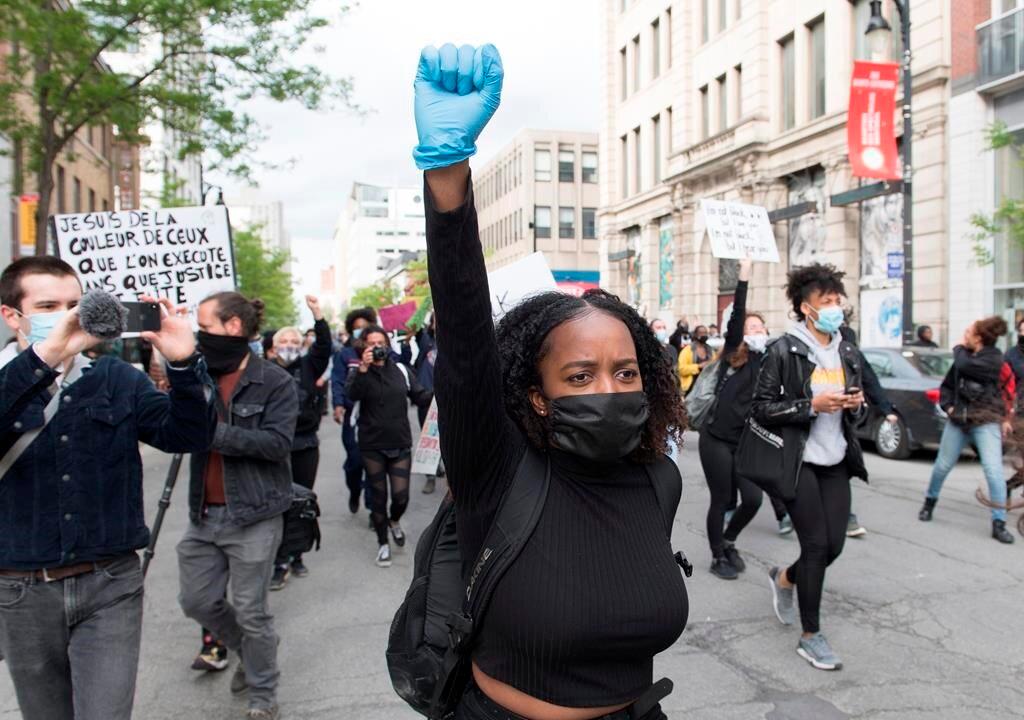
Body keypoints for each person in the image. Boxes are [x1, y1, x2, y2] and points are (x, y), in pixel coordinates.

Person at [415, 43, 687, 720]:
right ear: (537, 395)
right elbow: (466, 338)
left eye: (626, 371)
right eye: (580, 374)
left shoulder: (660, 480)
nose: (609, 388)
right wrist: (448, 171)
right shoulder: (497, 472)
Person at [0, 256, 214, 720]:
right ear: (12, 316)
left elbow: (189, 435)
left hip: (109, 583)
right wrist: (42, 362)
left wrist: (183, 363)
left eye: (75, 305)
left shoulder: (116, 377)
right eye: (48, 307)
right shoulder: (6, 381)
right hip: (22, 589)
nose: (68, 316)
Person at [177, 291, 298, 720]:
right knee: (196, 601)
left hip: (254, 516)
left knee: (251, 611)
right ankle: (251, 650)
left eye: (204, 326)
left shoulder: (274, 381)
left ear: (232, 326)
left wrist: (213, 433)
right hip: (202, 515)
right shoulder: (197, 375)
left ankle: (262, 694)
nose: (199, 335)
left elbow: (277, 444)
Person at [754, 263, 868, 671]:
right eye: (827, 301)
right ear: (806, 307)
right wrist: (811, 406)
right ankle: (811, 636)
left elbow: (860, 407)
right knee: (816, 546)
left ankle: (785, 578)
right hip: (798, 461)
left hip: (835, 459)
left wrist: (856, 405)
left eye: (838, 300)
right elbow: (761, 408)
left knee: (834, 545)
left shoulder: (847, 349)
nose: (835, 307)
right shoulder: (784, 350)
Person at [697, 258, 768, 580]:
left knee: (752, 499)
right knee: (722, 499)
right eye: (751, 328)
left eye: (760, 327)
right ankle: (717, 557)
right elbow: (738, 315)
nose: (756, 331)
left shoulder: (770, 360)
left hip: (746, 442)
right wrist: (744, 276)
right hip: (716, 439)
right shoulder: (732, 355)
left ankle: (729, 540)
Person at [918, 317, 1016, 544]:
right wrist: (949, 406)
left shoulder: (993, 358)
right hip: (959, 421)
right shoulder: (963, 359)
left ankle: (999, 522)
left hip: (986, 421)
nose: (965, 335)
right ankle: (929, 503)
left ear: (978, 338)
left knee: (993, 471)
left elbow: (965, 366)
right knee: (942, 466)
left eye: (968, 332)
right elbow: (947, 386)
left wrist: (958, 348)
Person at [346, 324, 432, 567]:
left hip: (399, 441)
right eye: (371, 343)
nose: (377, 347)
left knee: (401, 497)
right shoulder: (358, 372)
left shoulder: (402, 370)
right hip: (372, 444)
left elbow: (420, 396)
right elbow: (352, 395)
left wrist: (444, 390)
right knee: (378, 497)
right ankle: (383, 543)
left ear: (387, 344)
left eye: (380, 343)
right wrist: (363, 369)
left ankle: (394, 521)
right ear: (364, 346)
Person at [269, 295, 332, 590]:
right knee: (277, 503)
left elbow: (324, 346)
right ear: (273, 347)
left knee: (301, 501)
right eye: (284, 341)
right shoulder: (264, 371)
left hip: (305, 444)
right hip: (274, 447)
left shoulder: (308, 366)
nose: (290, 345)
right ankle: (278, 559)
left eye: (295, 340)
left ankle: (296, 554)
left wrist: (317, 314)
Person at [838, 323, 899, 539]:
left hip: (840, 421)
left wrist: (886, 409)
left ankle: (846, 517)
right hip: (808, 420)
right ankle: (787, 511)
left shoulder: (847, 346)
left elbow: (868, 378)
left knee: (840, 469)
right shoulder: (803, 345)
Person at [331, 306, 379, 513]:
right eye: (357, 327)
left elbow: (400, 368)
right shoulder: (345, 354)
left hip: (375, 415)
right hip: (352, 417)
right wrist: (338, 404)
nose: (361, 330)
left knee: (373, 464)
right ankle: (354, 490)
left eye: (365, 327)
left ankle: (372, 508)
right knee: (355, 460)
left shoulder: (380, 351)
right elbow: (337, 380)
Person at [413, 311, 441, 494]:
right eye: (436, 319)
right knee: (429, 437)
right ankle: (430, 477)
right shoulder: (426, 342)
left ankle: (443, 467)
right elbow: (414, 324)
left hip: (448, 398)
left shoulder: (456, 343)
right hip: (426, 397)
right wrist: (422, 305)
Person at [677, 324, 713, 394]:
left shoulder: (711, 350)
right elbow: (681, 369)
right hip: (691, 389)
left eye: (705, 333)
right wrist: (698, 367)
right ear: (696, 335)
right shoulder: (687, 350)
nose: (704, 335)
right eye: (701, 333)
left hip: (707, 389)